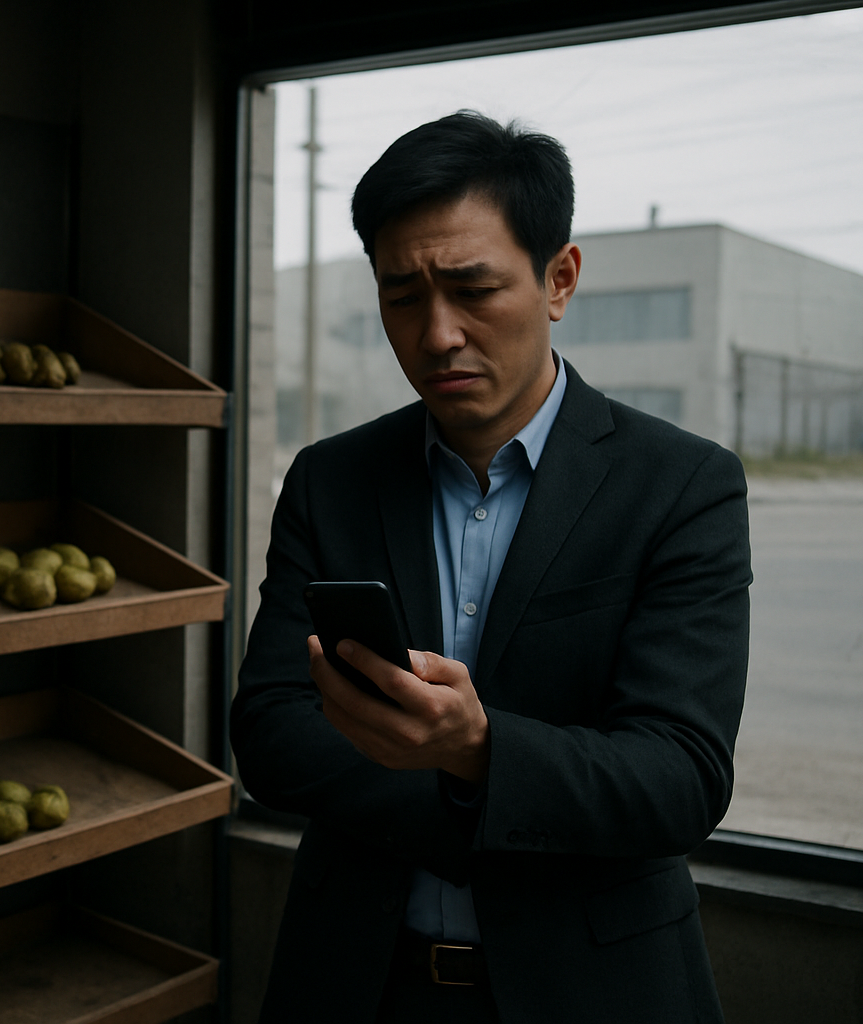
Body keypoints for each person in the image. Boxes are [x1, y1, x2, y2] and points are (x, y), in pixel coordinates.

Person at [231, 110, 751, 1023]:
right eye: (403, 296)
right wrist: (475, 793)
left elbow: (680, 777)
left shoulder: (680, 485)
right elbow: (272, 731)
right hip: (357, 982)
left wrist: (480, 752)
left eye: (473, 288)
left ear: (560, 279)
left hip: (593, 993)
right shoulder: (331, 480)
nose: (436, 335)